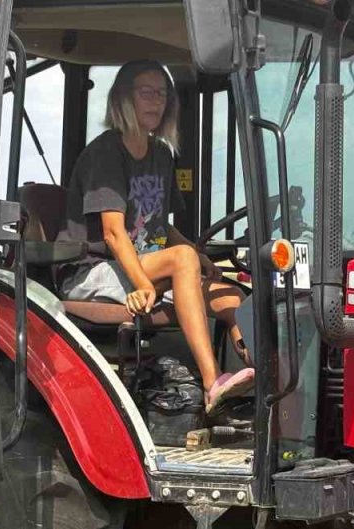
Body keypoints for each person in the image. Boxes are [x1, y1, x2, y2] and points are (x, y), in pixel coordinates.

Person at [59, 60, 252, 413]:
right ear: (123, 99)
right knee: (182, 260)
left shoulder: (161, 154)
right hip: (96, 270)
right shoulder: (106, 152)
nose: (155, 101)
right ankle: (213, 383)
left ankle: (253, 376)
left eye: (161, 94)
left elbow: (159, 226)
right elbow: (114, 234)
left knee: (232, 296)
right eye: (145, 92)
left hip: (142, 265)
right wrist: (143, 285)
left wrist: (198, 255)